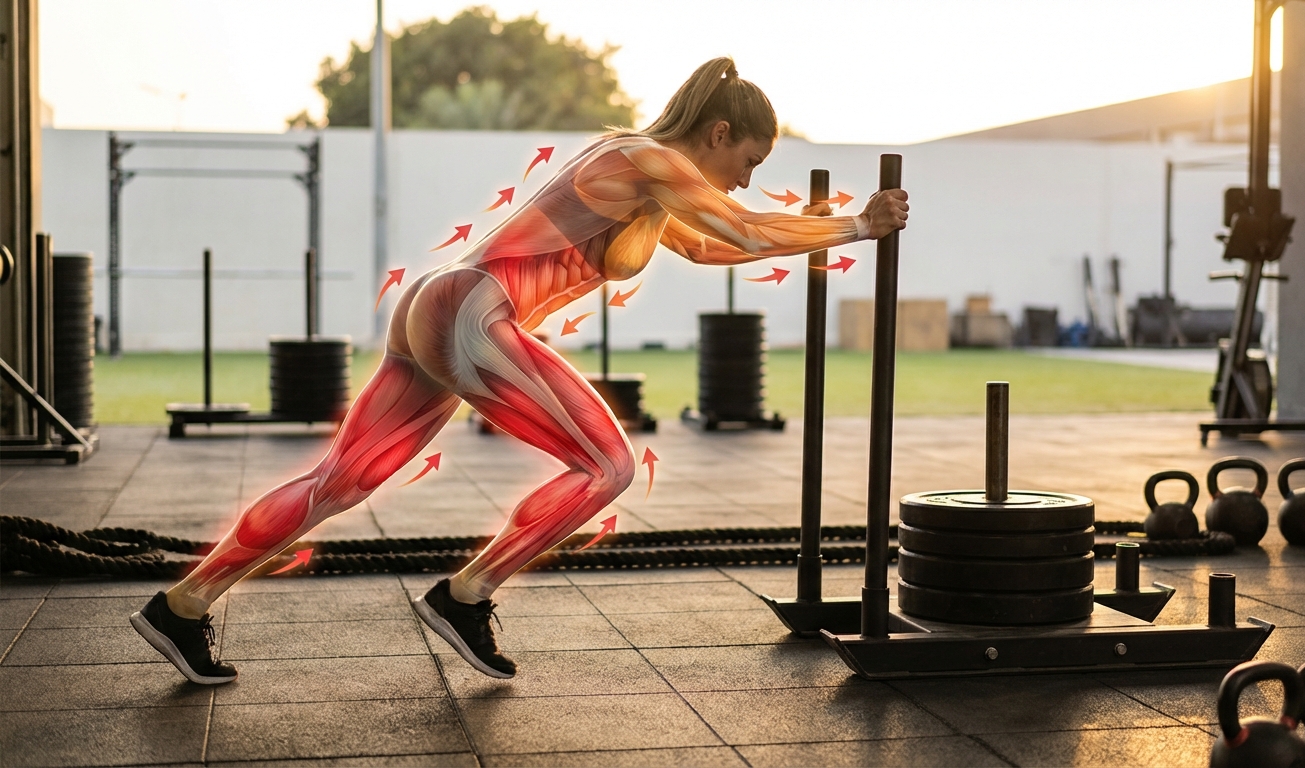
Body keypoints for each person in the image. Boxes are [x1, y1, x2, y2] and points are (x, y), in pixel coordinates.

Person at [130, 57, 908, 683]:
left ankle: (184, 605)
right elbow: (737, 228)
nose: (744, 177)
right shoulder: (646, 158)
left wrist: (828, 230)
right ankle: (464, 595)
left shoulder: (648, 184)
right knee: (607, 465)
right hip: (473, 309)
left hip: (441, 308)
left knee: (343, 481)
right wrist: (858, 225)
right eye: (747, 159)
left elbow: (711, 244)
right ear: (718, 130)